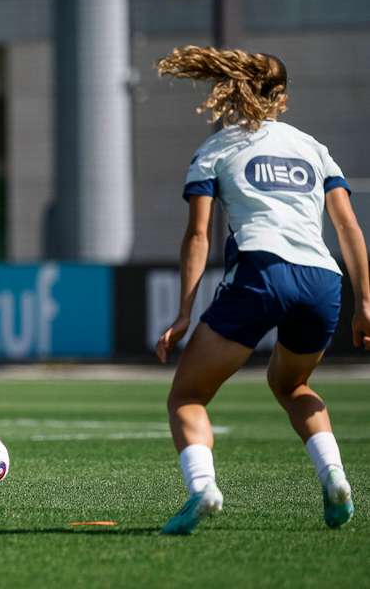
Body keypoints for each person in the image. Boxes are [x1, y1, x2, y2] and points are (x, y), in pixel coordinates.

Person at [153, 46, 370, 534]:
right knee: (293, 385)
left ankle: (203, 488)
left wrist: (184, 313)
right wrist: (365, 305)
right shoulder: (314, 149)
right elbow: (348, 227)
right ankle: (335, 477)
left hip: (261, 270)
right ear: (283, 98)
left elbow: (198, 236)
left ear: (231, 92)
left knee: (187, 396)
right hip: (322, 280)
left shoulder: (217, 148)